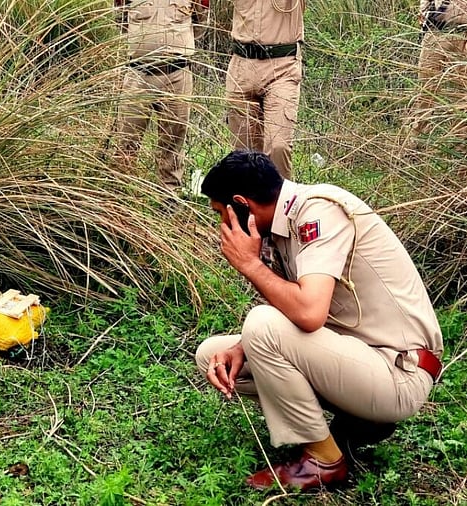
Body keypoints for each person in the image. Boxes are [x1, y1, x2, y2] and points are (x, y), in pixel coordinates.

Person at [195, 150, 443, 491]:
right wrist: (243, 345)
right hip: (360, 358)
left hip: (398, 374)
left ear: (242, 204)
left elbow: (309, 314)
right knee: (214, 355)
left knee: (262, 323)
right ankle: (357, 422)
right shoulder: (283, 226)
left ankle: (324, 461)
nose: (222, 225)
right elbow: (300, 310)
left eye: (222, 213)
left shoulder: (319, 211)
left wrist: (250, 265)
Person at [112, 0, 209, 190]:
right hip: (138, 74)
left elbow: (200, 23)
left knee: (173, 141)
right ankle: (120, 197)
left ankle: (169, 195)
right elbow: (121, 20)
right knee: (127, 139)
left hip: (176, 74)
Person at [222, 0, 304, 179]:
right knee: (244, 153)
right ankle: (248, 205)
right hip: (241, 66)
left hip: (282, 67)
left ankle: (280, 203)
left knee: (278, 146)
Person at [410, 0, 467, 135]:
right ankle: (418, 134)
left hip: (466, 31)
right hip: (436, 31)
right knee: (426, 86)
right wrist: (425, 11)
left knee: (465, 89)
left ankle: (463, 138)